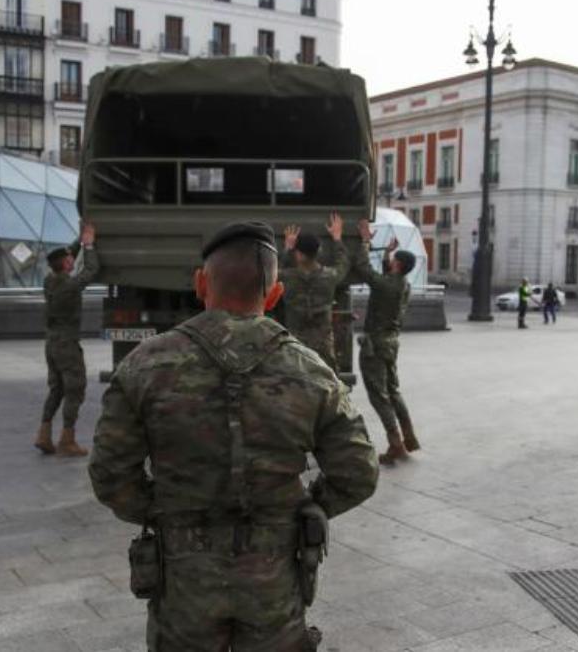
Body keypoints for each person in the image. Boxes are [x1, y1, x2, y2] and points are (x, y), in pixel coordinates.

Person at [89, 221, 378, 651]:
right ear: (276, 294)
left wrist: (164, 510)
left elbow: (110, 475)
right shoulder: (314, 373)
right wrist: (307, 507)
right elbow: (358, 472)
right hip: (274, 574)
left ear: (201, 284)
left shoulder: (144, 366)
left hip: (183, 579)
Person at [352, 220, 418, 465]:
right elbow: (385, 277)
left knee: (379, 395)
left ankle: (395, 445)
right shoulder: (403, 285)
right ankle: (409, 438)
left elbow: (363, 267)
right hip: (391, 343)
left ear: (397, 265)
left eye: (393, 260)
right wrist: (389, 253)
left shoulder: (386, 285)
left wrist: (365, 240)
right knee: (393, 391)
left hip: (376, 345)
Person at [35, 222, 99, 457]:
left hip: (51, 343)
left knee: (56, 389)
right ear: (66, 264)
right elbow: (91, 270)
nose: (72, 259)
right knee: (75, 388)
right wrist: (89, 245)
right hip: (67, 344)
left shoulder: (50, 281)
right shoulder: (70, 286)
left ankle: (43, 434)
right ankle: (67, 439)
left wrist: (80, 240)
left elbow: (67, 256)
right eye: (69, 259)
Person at [278, 213, 349, 370]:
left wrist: (287, 249)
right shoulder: (330, 276)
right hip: (322, 344)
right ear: (318, 253)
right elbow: (343, 263)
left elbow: (272, 273)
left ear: (298, 254)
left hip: (295, 344)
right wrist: (337, 238)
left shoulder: (287, 277)